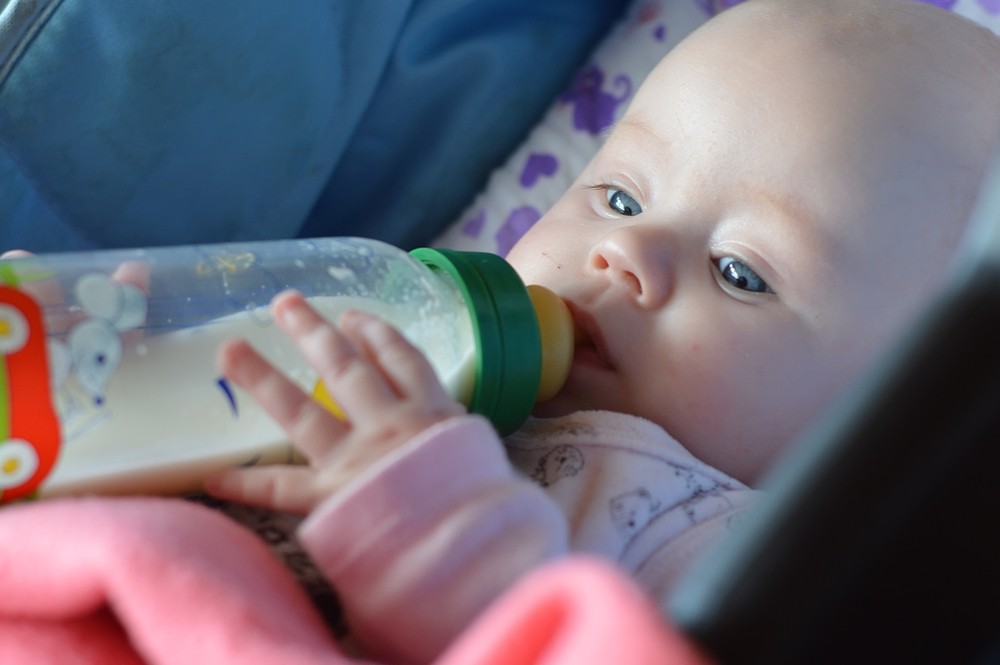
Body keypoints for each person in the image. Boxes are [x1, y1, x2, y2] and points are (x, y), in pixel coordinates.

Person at [203, 1, 1000, 663]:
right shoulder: (424, 345)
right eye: (620, 197)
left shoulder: (731, 552)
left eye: (741, 273)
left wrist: (430, 535)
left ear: (892, 419)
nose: (625, 252)